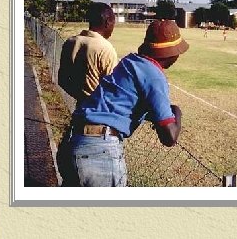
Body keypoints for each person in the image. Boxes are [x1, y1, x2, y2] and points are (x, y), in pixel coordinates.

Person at [57, 19, 187, 187]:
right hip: (98, 152)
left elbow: (125, 102)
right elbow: (169, 137)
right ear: (172, 53)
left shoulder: (129, 62)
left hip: (74, 141)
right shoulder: (154, 75)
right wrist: (177, 112)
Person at [58, 2, 118, 104]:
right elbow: (113, 89)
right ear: (107, 22)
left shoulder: (70, 42)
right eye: (113, 23)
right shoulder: (106, 48)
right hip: (100, 111)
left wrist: (80, 96)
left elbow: (62, 80)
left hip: (79, 108)